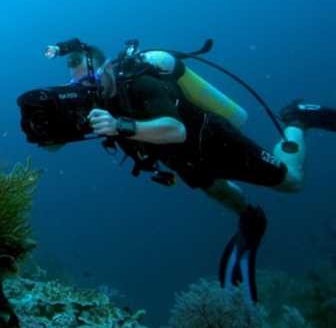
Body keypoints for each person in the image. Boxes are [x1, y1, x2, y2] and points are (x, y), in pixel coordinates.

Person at [44, 41, 336, 302]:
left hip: (215, 141)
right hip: (182, 160)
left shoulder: (141, 82)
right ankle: (249, 216)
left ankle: (297, 119)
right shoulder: (95, 102)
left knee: (291, 182)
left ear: (106, 68)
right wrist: (47, 129)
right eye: (78, 83)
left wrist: (122, 126)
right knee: (219, 191)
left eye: (91, 79)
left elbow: (176, 130)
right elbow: (56, 144)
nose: (86, 88)